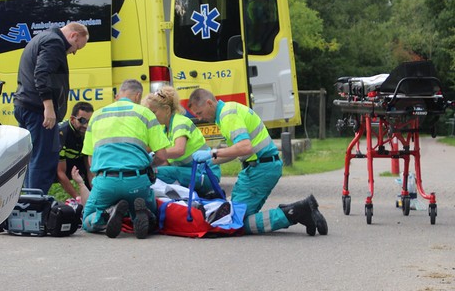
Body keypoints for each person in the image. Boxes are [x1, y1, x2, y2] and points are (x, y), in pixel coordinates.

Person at [187, 88, 328, 236]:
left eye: (199, 113)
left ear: (209, 103)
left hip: (259, 169)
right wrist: (211, 162)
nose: (200, 118)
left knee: (234, 222)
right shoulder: (227, 112)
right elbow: (236, 150)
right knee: (235, 217)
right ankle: (297, 211)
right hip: (262, 166)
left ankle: (296, 212)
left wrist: (211, 153)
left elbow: (244, 147)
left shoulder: (227, 116)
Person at [81, 79, 170, 239]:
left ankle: (106, 215)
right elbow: (162, 157)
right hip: (136, 180)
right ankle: (145, 216)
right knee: (152, 214)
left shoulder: (97, 115)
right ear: (137, 96)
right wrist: (149, 166)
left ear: (118, 95)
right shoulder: (145, 114)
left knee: (86, 219)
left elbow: (90, 160)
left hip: (106, 181)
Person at [13, 22, 89, 195]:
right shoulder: (54, 43)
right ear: (74, 36)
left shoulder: (42, 38)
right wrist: (48, 107)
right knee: (44, 160)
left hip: (25, 105)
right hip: (37, 110)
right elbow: (42, 74)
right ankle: (37, 207)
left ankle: (30, 204)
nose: (74, 52)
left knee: (32, 159)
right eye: (78, 46)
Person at [142, 86, 221, 195]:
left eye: (153, 112)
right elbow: (164, 161)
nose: (151, 117)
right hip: (193, 172)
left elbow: (179, 150)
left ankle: (186, 197)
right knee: (150, 173)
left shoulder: (180, 122)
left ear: (167, 109)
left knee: (156, 173)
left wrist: (155, 155)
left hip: (207, 174)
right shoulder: (164, 128)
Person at [56, 101, 94, 199]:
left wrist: (94, 193)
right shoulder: (61, 134)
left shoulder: (89, 131)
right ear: (72, 119)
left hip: (76, 159)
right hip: (57, 163)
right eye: (82, 121)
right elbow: (60, 172)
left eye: (90, 121)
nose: (86, 126)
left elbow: (89, 166)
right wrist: (77, 198)